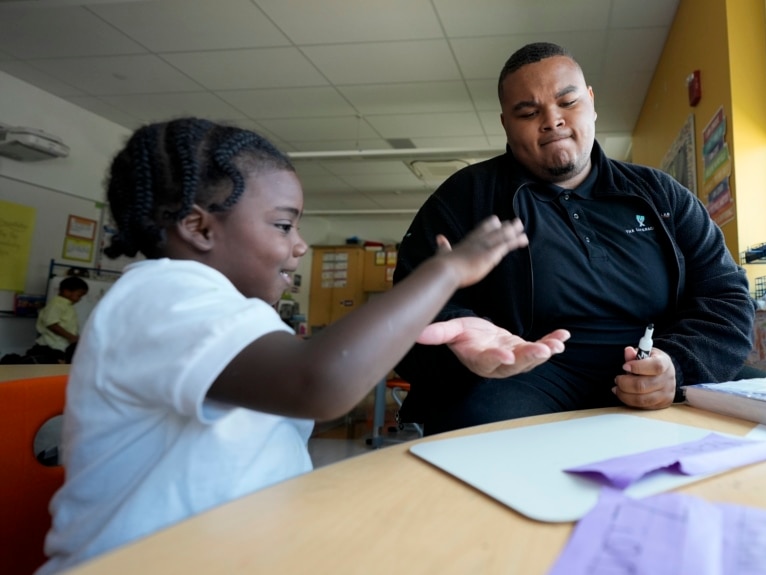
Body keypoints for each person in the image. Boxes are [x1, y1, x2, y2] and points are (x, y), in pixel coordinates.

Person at [38, 118, 529, 574]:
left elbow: (299, 412)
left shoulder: (220, 310)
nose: (299, 245)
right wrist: (443, 274)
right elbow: (318, 385)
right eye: (282, 224)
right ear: (198, 227)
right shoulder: (162, 296)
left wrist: (407, 339)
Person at [393, 42, 756, 435]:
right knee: (470, 433)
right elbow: (409, 309)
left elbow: (727, 295)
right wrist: (463, 342)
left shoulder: (661, 195)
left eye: (567, 102)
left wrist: (679, 366)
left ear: (592, 102)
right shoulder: (464, 199)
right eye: (529, 112)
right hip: (525, 382)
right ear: (505, 123)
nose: (552, 121)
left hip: (660, 371)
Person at [26, 276, 89, 364]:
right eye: (79, 295)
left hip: (61, 347)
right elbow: (51, 324)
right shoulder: (56, 304)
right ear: (66, 291)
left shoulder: (67, 305)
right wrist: (71, 337)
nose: (80, 299)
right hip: (50, 347)